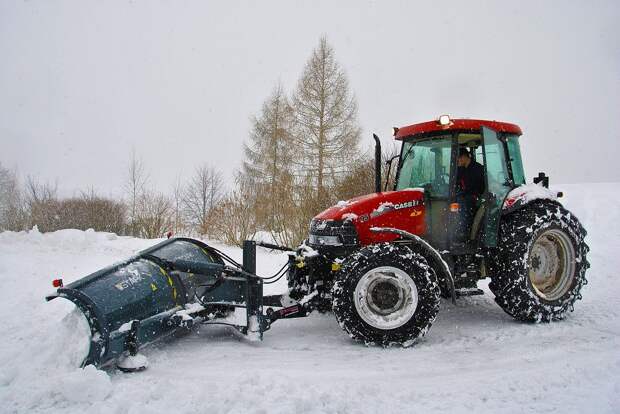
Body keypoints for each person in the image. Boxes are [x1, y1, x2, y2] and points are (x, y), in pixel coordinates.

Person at [454, 147, 485, 243]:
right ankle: (455, 228)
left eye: (458, 159)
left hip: (476, 196)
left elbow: (479, 186)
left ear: (463, 157)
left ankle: (464, 232)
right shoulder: (461, 169)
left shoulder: (478, 169)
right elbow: (456, 181)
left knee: (462, 202)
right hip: (464, 194)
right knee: (454, 200)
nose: (457, 161)